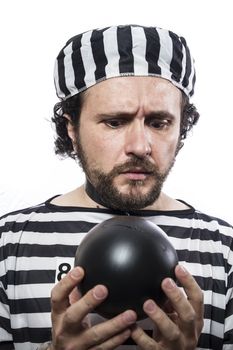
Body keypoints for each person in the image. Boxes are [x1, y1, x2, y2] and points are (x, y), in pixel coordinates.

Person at [0, 24, 232, 350]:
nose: (140, 146)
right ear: (71, 129)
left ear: (181, 128)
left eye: (158, 122)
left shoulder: (223, 251)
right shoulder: (9, 245)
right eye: (115, 121)